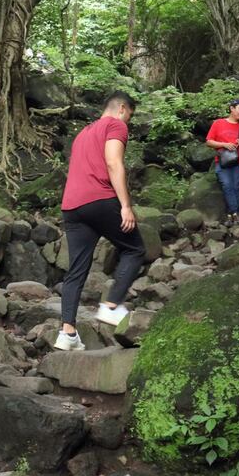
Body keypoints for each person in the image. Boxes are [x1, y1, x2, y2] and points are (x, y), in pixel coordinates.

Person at [58, 91, 146, 351]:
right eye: (129, 115)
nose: (128, 122)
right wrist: (126, 206)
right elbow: (113, 162)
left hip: (72, 206)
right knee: (134, 249)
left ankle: (67, 333)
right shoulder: (115, 125)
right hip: (98, 199)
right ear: (121, 108)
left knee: (76, 270)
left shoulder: (83, 133)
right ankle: (111, 305)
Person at [205, 99, 239, 226]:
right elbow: (209, 141)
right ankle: (236, 213)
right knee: (227, 185)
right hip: (223, 162)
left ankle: (230, 216)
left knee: (237, 188)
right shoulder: (218, 123)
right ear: (232, 108)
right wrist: (224, 145)